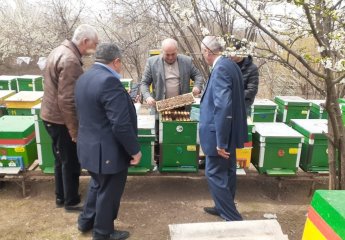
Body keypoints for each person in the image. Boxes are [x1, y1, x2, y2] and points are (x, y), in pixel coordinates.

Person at [75, 43, 141, 240]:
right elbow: (120, 124)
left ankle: (86, 221)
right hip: (108, 151)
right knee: (109, 192)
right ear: (116, 61)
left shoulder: (84, 77)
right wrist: (135, 151)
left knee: (98, 185)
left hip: (89, 146)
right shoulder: (109, 81)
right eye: (120, 64)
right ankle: (103, 232)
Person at [41, 24, 99, 211]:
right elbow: (67, 100)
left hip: (50, 115)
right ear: (85, 41)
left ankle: (61, 196)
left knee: (60, 159)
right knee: (71, 160)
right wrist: (74, 131)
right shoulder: (71, 60)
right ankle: (71, 201)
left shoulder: (59, 50)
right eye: (94, 44)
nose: (95, 48)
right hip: (60, 119)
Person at [199, 36, 248, 221]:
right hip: (229, 130)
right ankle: (222, 206)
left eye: (203, 52)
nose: (203, 55)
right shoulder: (230, 64)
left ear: (207, 52)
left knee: (214, 173)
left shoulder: (220, 68)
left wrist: (221, 141)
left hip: (219, 133)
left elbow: (223, 105)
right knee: (227, 172)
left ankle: (232, 216)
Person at [140, 38, 204, 106]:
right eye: (167, 54)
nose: (170, 57)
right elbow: (144, 83)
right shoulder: (152, 63)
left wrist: (197, 86)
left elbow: (198, 76)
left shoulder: (187, 61)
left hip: (183, 106)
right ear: (162, 52)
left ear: (177, 51)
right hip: (161, 106)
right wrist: (148, 97)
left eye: (173, 54)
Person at [230, 40, 259, 115]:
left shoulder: (252, 68)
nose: (230, 55)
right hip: (227, 104)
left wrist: (233, 94)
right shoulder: (228, 66)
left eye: (233, 52)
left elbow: (252, 91)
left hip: (243, 106)